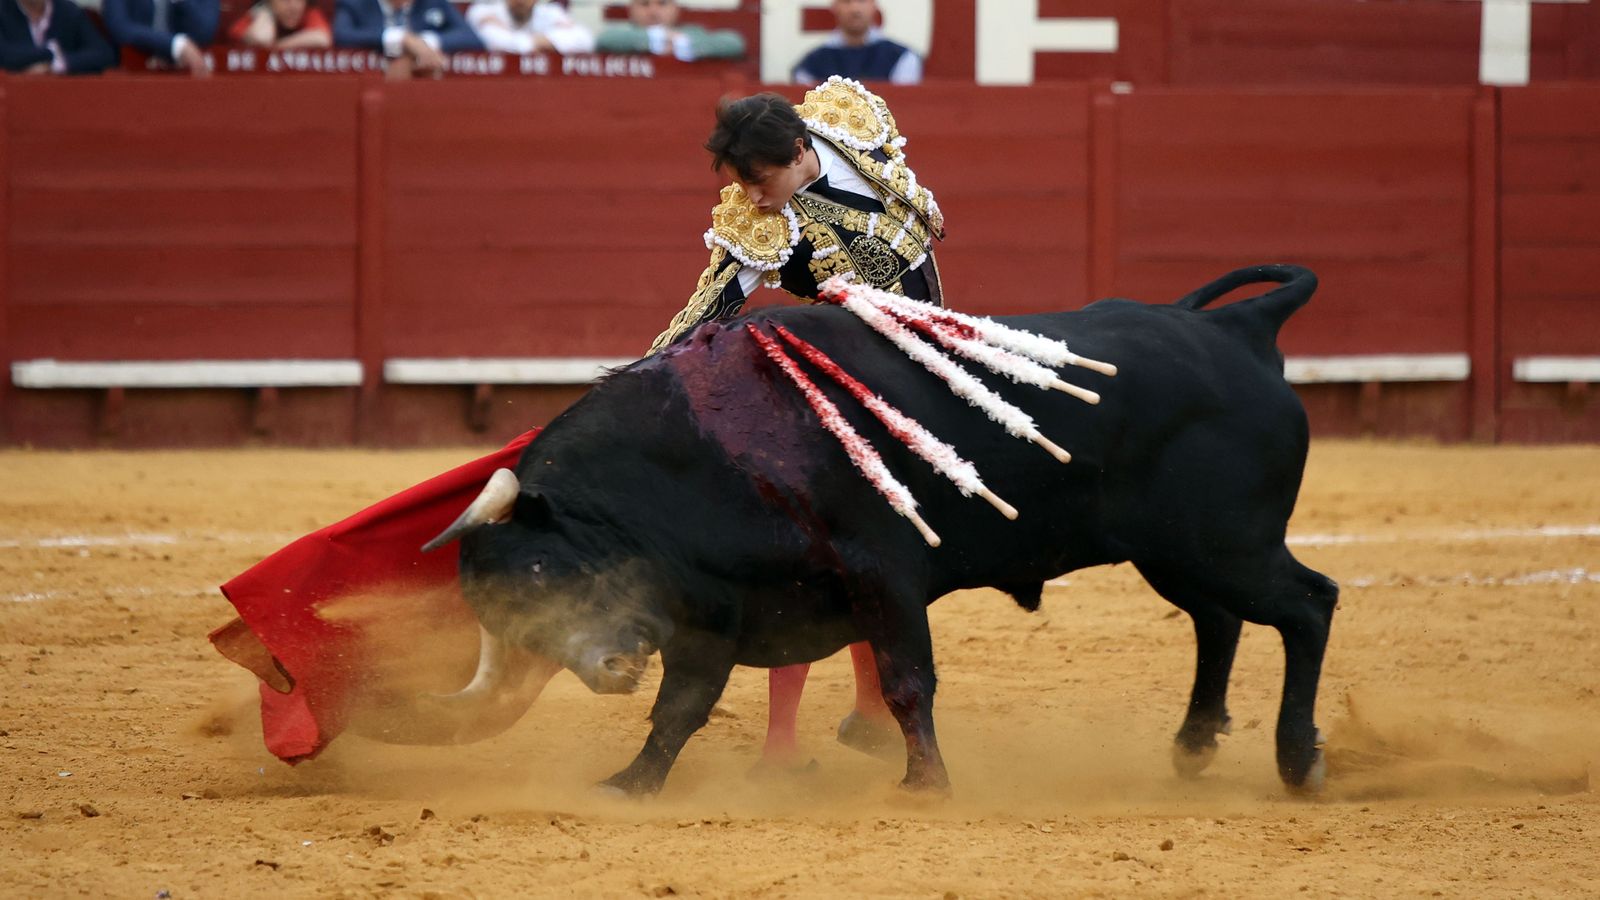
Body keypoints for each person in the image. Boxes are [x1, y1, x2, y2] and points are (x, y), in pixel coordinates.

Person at [650, 76, 946, 764]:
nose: (752, 195)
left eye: (762, 178)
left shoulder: (855, 118)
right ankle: (783, 743)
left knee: (889, 550)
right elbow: (704, 314)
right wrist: (644, 383)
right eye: (742, 182)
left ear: (802, 149)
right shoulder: (761, 225)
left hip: (930, 366)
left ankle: (871, 711)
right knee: (825, 557)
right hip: (852, 392)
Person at [334, 0, 481, 77]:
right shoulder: (356, 2)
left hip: (423, 90)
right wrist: (400, 38)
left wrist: (423, 44)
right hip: (376, 84)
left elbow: (472, 38)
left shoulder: (434, 2)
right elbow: (342, 36)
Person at [792, 0, 920, 85]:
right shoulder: (811, 65)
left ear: (874, 5)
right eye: (846, 1)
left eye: (862, 0)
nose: (855, 9)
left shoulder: (902, 58)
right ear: (835, 6)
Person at [595, 0, 742, 62]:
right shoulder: (622, 34)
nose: (653, 11)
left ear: (675, 8)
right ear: (631, 9)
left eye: (662, 3)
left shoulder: (691, 33)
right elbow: (604, 40)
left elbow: (733, 43)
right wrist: (659, 38)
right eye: (644, 4)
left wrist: (682, 43)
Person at [102, 0, 219, 76]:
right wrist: (175, 44)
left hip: (183, 75)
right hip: (133, 75)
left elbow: (205, 32)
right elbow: (120, 28)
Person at [0, 0, 116, 73]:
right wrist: (50, 52)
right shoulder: (3, 10)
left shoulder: (68, 11)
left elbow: (104, 54)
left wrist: (59, 64)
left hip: (62, 99)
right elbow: (5, 54)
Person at [466, 0, 592, 56]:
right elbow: (491, 40)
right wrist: (544, 43)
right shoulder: (483, 11)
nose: (521, 1)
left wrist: (535, 42)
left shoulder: (550, 12)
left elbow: (585, 39)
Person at [228, 0, 331, 49]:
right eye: (286, 1)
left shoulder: (309, 12)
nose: (294, 8)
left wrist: (277, 46)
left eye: (299, 0)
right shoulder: (255, 16)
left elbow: (322, 38)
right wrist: (265, 12)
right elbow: (261, 38)